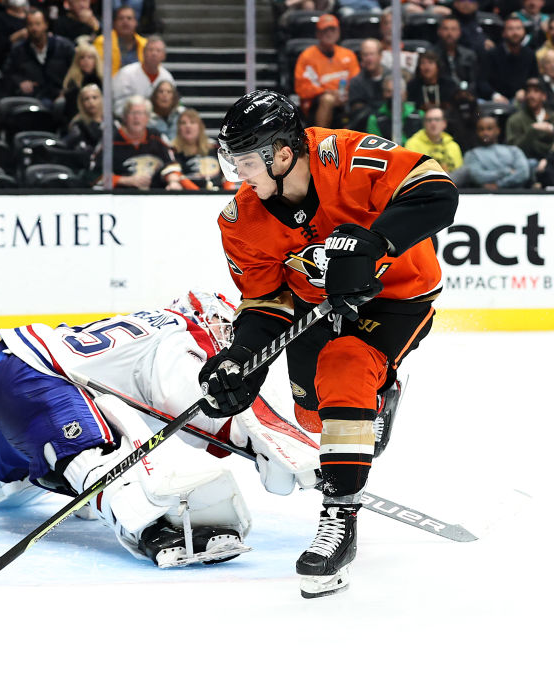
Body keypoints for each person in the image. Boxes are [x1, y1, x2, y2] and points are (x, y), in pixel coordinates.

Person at [203, 90, 458, 598]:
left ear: (281, 153)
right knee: (315, 420)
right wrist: (240, 361)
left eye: (247, 161)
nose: (238, 174)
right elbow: (265, 302)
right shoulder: (241, 220)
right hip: (314, 306)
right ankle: (376, 402)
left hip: (396, 297)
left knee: (346, 367)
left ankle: (339, 519)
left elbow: (437, 191)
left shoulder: (343, 157)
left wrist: (373, 242)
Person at [0, 291, 321, 567]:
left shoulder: (151, 325)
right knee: (97, 460)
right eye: (225, 324)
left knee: (16, 463)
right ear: (204, 315)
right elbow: (183, 394)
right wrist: (269, 446)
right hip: (34, 378)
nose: (226, 336)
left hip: (2, 372)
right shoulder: (182, 333)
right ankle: (153, 530)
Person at [88, 94, 182, 189]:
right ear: (124, 117)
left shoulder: (157, 138)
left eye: (141, 113)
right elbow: (93, 175)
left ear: (147, 118)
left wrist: (173, 181)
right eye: (132, 113)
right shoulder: (110, 141)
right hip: (119, 198)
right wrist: (127, 181)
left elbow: (172, 164)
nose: (136, 117)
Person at [293, 14, 360, 127]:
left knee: (360, 104)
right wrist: (328, 92)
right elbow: (302, 87)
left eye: (332, 30)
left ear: (338, 32)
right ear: (318, 34)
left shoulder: (348, 55)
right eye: (325, 30)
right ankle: (320, 140)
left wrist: (345, 95)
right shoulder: (307, 56)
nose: (329, 33)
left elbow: (357, 81)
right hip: (316, 102)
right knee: (327, 99)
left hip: (345, 97)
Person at [2, 7, 75, 107]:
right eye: (30, 24)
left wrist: (66, 91)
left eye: (38, 24)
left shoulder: (64, 47)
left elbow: (75, 72)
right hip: (32, 98)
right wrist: (20, 82)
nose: (34, 28)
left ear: (46, 25)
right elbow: (8, 73)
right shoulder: (18, 50)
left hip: (61, 96)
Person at [459, 115, 531, 189]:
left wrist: (499, 185)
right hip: (484, 197)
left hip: (518, 195)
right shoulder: (471, 154)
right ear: (477, 132)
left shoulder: (513, 150)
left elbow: (523, 173)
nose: (485, 133)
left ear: (498, 130)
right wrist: (506, 172)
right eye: (481, 129)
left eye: (489, 129)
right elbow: (478, 176)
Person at [171, 108, 232, 191]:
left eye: (192, 122)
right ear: (179, 128)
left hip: (218, 192)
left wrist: (227, 192)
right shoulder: (174, 150)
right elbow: (176, 175)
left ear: (200, 126)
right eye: (183, 123)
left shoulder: (214, 146)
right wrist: (199, 192)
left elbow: (228, 172)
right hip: (188, 194)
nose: (188, 126)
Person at [481, 15, 538, 104]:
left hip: (521, 100)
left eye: (518, 28)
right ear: (503, 33)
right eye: (510, 29)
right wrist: (495, 95)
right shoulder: (492, 54)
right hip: (496, 100)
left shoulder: (529, 54)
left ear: (524, 32)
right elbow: (481, 82)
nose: (515, 33)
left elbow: (534, 78)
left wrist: (525, 90)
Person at [111, 35, 173, 114]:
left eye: (158, 51)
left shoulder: (167, 77)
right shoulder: (126, 74)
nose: (154, 53)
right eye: (150, 50)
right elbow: (117, 105)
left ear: (164, 56)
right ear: (143, 53)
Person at [505, 77, 554, 162]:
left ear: (544, 96)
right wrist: (532, 130)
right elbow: (513, 149)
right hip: (527, 161)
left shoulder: (552, 117)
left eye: (536, 91)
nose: (531, 95)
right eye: (528, 92)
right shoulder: (515, 119)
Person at [405, 107, 464, 174]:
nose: (433, 123)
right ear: (424, 124)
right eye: (429, 120)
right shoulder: (412, 144)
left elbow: (459, 173)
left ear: (444, 123)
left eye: (437, 119)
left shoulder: (453, 146)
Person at [434, 15, 480, 97]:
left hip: (466, 96)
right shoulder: (433, 55)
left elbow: (474, 81)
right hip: (441, 97)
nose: (449, 33)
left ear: (459, 32)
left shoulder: (469, 55)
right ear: (439, 31)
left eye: (453, 29)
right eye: (445, 29)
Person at [93, 5, 146, 77]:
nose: (125, 21)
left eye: (129, 18)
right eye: (121, 18)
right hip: (109, 85)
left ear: (135, 22)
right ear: (114, 23)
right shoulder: (102, 42)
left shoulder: (145, 44)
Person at [58, 37, 102, 122]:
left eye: (90, 57)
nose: (86, 61)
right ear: (77, 61)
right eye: (82, 57)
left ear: (95, 60)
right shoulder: (72, 84)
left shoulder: (103, 81)